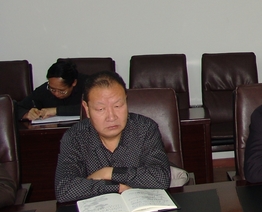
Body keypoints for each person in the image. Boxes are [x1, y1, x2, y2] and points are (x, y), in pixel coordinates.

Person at [54, 71, 170, 203]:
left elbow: (161, 178)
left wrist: (108, 173)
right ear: (87, 108)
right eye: (100, 109)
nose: (111, 117)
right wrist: (117, 187)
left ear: (126, 101)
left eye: (118, 106)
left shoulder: (145, 129)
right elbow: (64, 189)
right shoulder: (75, 137)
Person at [15, 59, 86, 121]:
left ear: (74, 83)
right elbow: (16, 108)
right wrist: (27, 114)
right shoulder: (44, 89)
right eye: (53, 89)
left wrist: (55, 111)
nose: (56, 94)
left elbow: (89, 108)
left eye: (62, 91)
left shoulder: (88, 85)